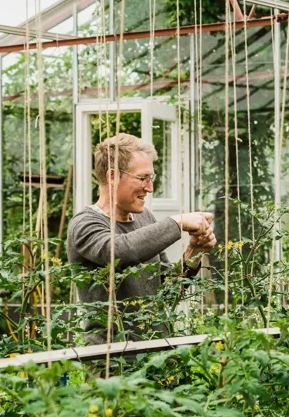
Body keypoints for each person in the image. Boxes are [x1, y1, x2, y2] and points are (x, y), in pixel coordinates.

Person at [67, 133, 216, 342]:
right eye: (143, 178)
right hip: (114, 363)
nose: (150, 188)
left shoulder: (145, 217)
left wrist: (195, 251)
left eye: (151, 178)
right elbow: (118, 251)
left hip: (157, 354)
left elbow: (167, 291)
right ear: (112, 177)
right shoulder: (85, 224)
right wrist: (177, 222)